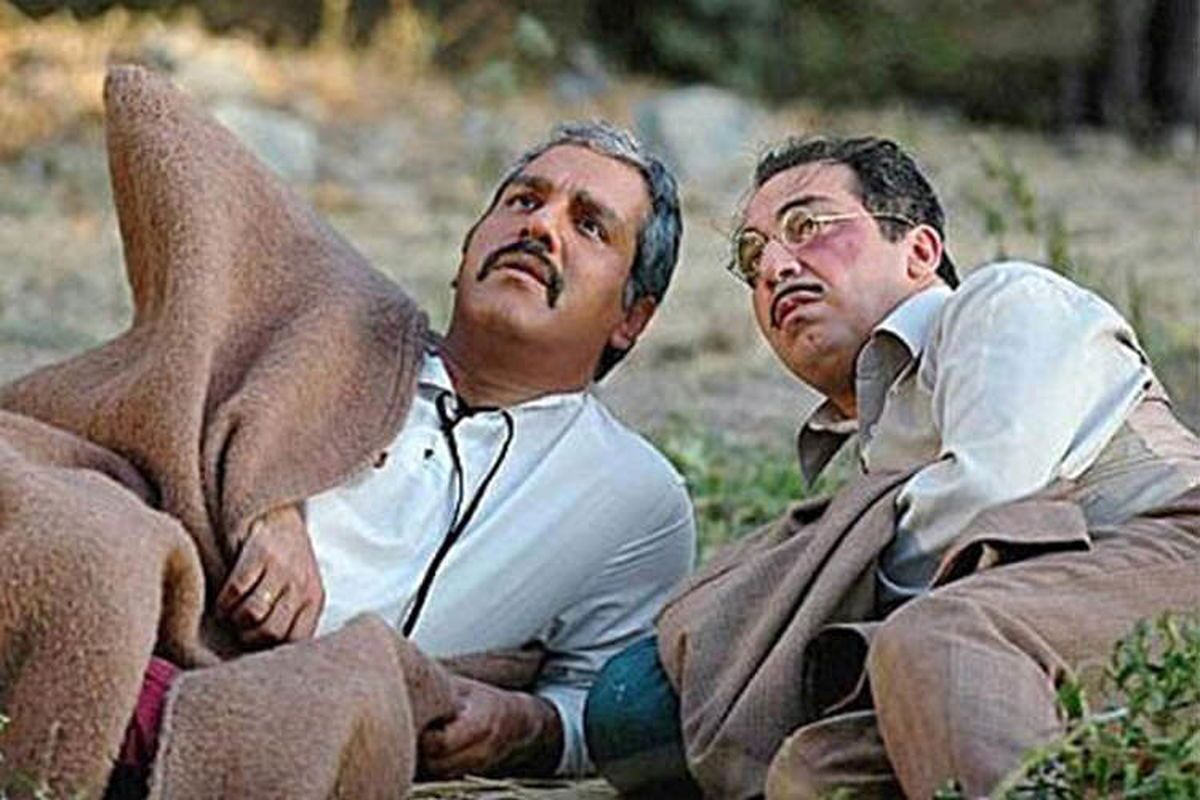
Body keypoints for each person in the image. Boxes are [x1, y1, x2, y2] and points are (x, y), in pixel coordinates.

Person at [584, 135, 1200, 798]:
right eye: (753, 255)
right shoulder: (877, 453)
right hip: (1042, 639)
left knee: (939, 634)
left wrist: (801, 612)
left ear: (920, 251)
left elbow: (990, 495)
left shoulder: (1005, 301)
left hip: (1169, 554)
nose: (774, 268)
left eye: (808, 226)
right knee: (815, 773)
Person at [115, 121, 696, 783]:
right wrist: (265, 498)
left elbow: (603, 708)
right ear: (465, 250)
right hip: (158, 618)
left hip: (329, 725)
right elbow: (163, 396)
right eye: (523, 200)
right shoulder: (336, 330)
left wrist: (522, 725)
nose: (539, 226)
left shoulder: (634, 500)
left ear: (632, 319)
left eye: (589, 225)